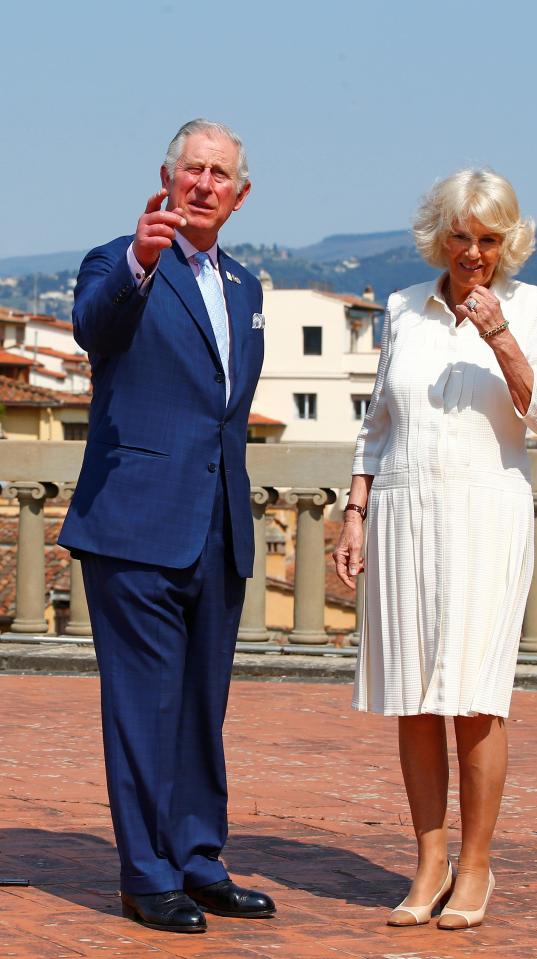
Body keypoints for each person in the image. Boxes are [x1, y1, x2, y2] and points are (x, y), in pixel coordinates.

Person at [333, 169, 537, 931]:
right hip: (401, 508)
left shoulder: (533, 307)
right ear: (441, 234)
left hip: (484, 512)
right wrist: (355, 511)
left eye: (488, 239)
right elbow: (376, 422)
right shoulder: (402, 307)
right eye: (461, 237)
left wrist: (497, 333)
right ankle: (427, 859)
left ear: (509, 241)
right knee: (412, 696)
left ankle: (475, 864)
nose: (473, 253)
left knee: (473, 697)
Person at [58, 119, 275, 934]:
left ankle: (195, 857)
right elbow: (91, 327)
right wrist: (140, 264)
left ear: (239, 194)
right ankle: (146, 874)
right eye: (194, 168)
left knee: (199, 705)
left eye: (221, 173)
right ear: (166, 176)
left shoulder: (248, 288)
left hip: (216, 526)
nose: (205, 183)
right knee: (143, 705)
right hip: (133, 522)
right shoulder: (119, 260)